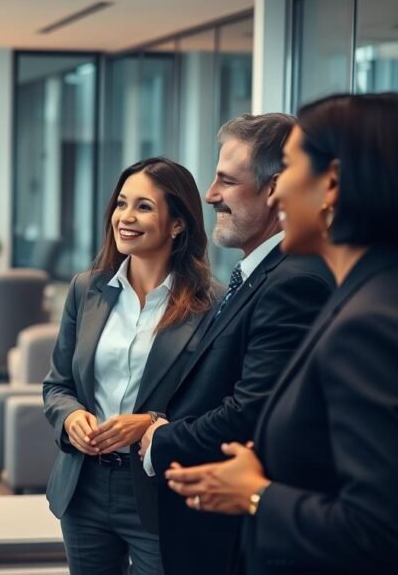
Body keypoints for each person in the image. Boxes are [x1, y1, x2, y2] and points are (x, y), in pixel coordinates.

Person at [165, 92, 398, 575]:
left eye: (288, 171)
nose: (277, 193)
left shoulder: (370, 322)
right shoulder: (362, 293)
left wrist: (254, 494)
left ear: (330, 183)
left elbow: (378, 527)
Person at [138, 114, 333, 575]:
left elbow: (252, 411)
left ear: (274, 190)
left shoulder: (295, 280)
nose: (210, 194)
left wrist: (161, 438)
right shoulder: (256, 274)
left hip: (236, 538)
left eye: (227, 180)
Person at [42, 157, 219, 575]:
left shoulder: (209, 304)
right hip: (82, 485)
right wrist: (71, 419)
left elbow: (213, 404)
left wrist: (149, 422)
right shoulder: (87, 290)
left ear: (177, 224)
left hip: (159, 490)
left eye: (143, 206)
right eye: (122, 203)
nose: (125, 217)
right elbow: (57, 385)